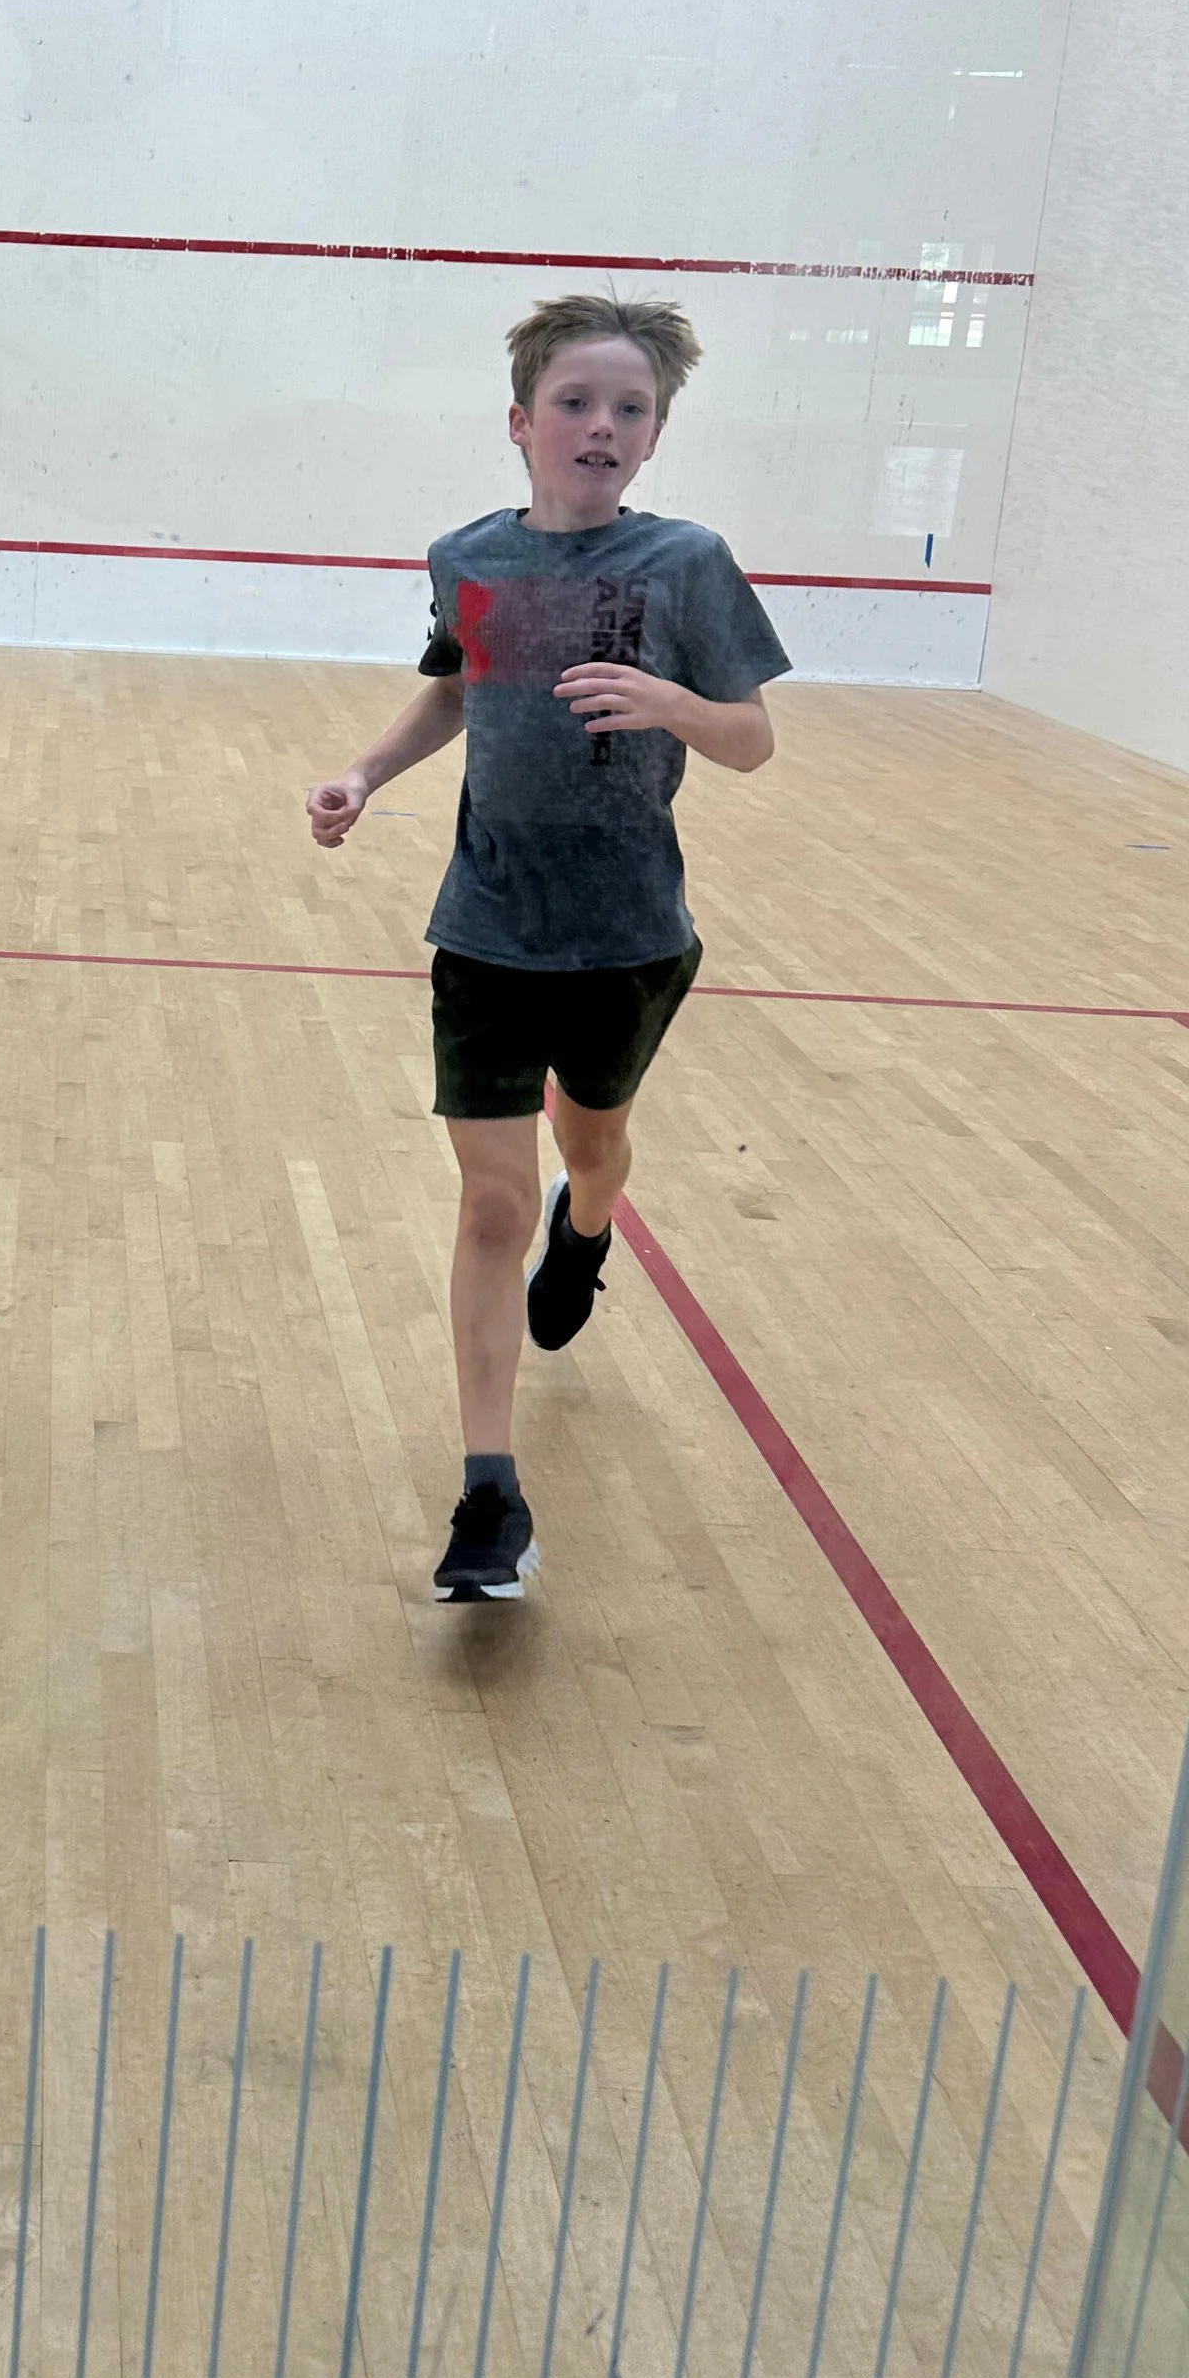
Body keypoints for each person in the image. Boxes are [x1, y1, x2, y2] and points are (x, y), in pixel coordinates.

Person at [305, 294, 789, 1603]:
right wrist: (367, 773)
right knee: (489, 1202)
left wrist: (669, 702)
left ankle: (592, 1231)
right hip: (487, 930)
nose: (602, 424)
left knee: (590, 1149)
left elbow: (750, 738)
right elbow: (459, 687)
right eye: (576, 401)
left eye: (631, 408)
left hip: (630, 938)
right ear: (522, 423)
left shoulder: (686, 564)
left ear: (655, 437)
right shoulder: (469, 555)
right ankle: (488, 1494)